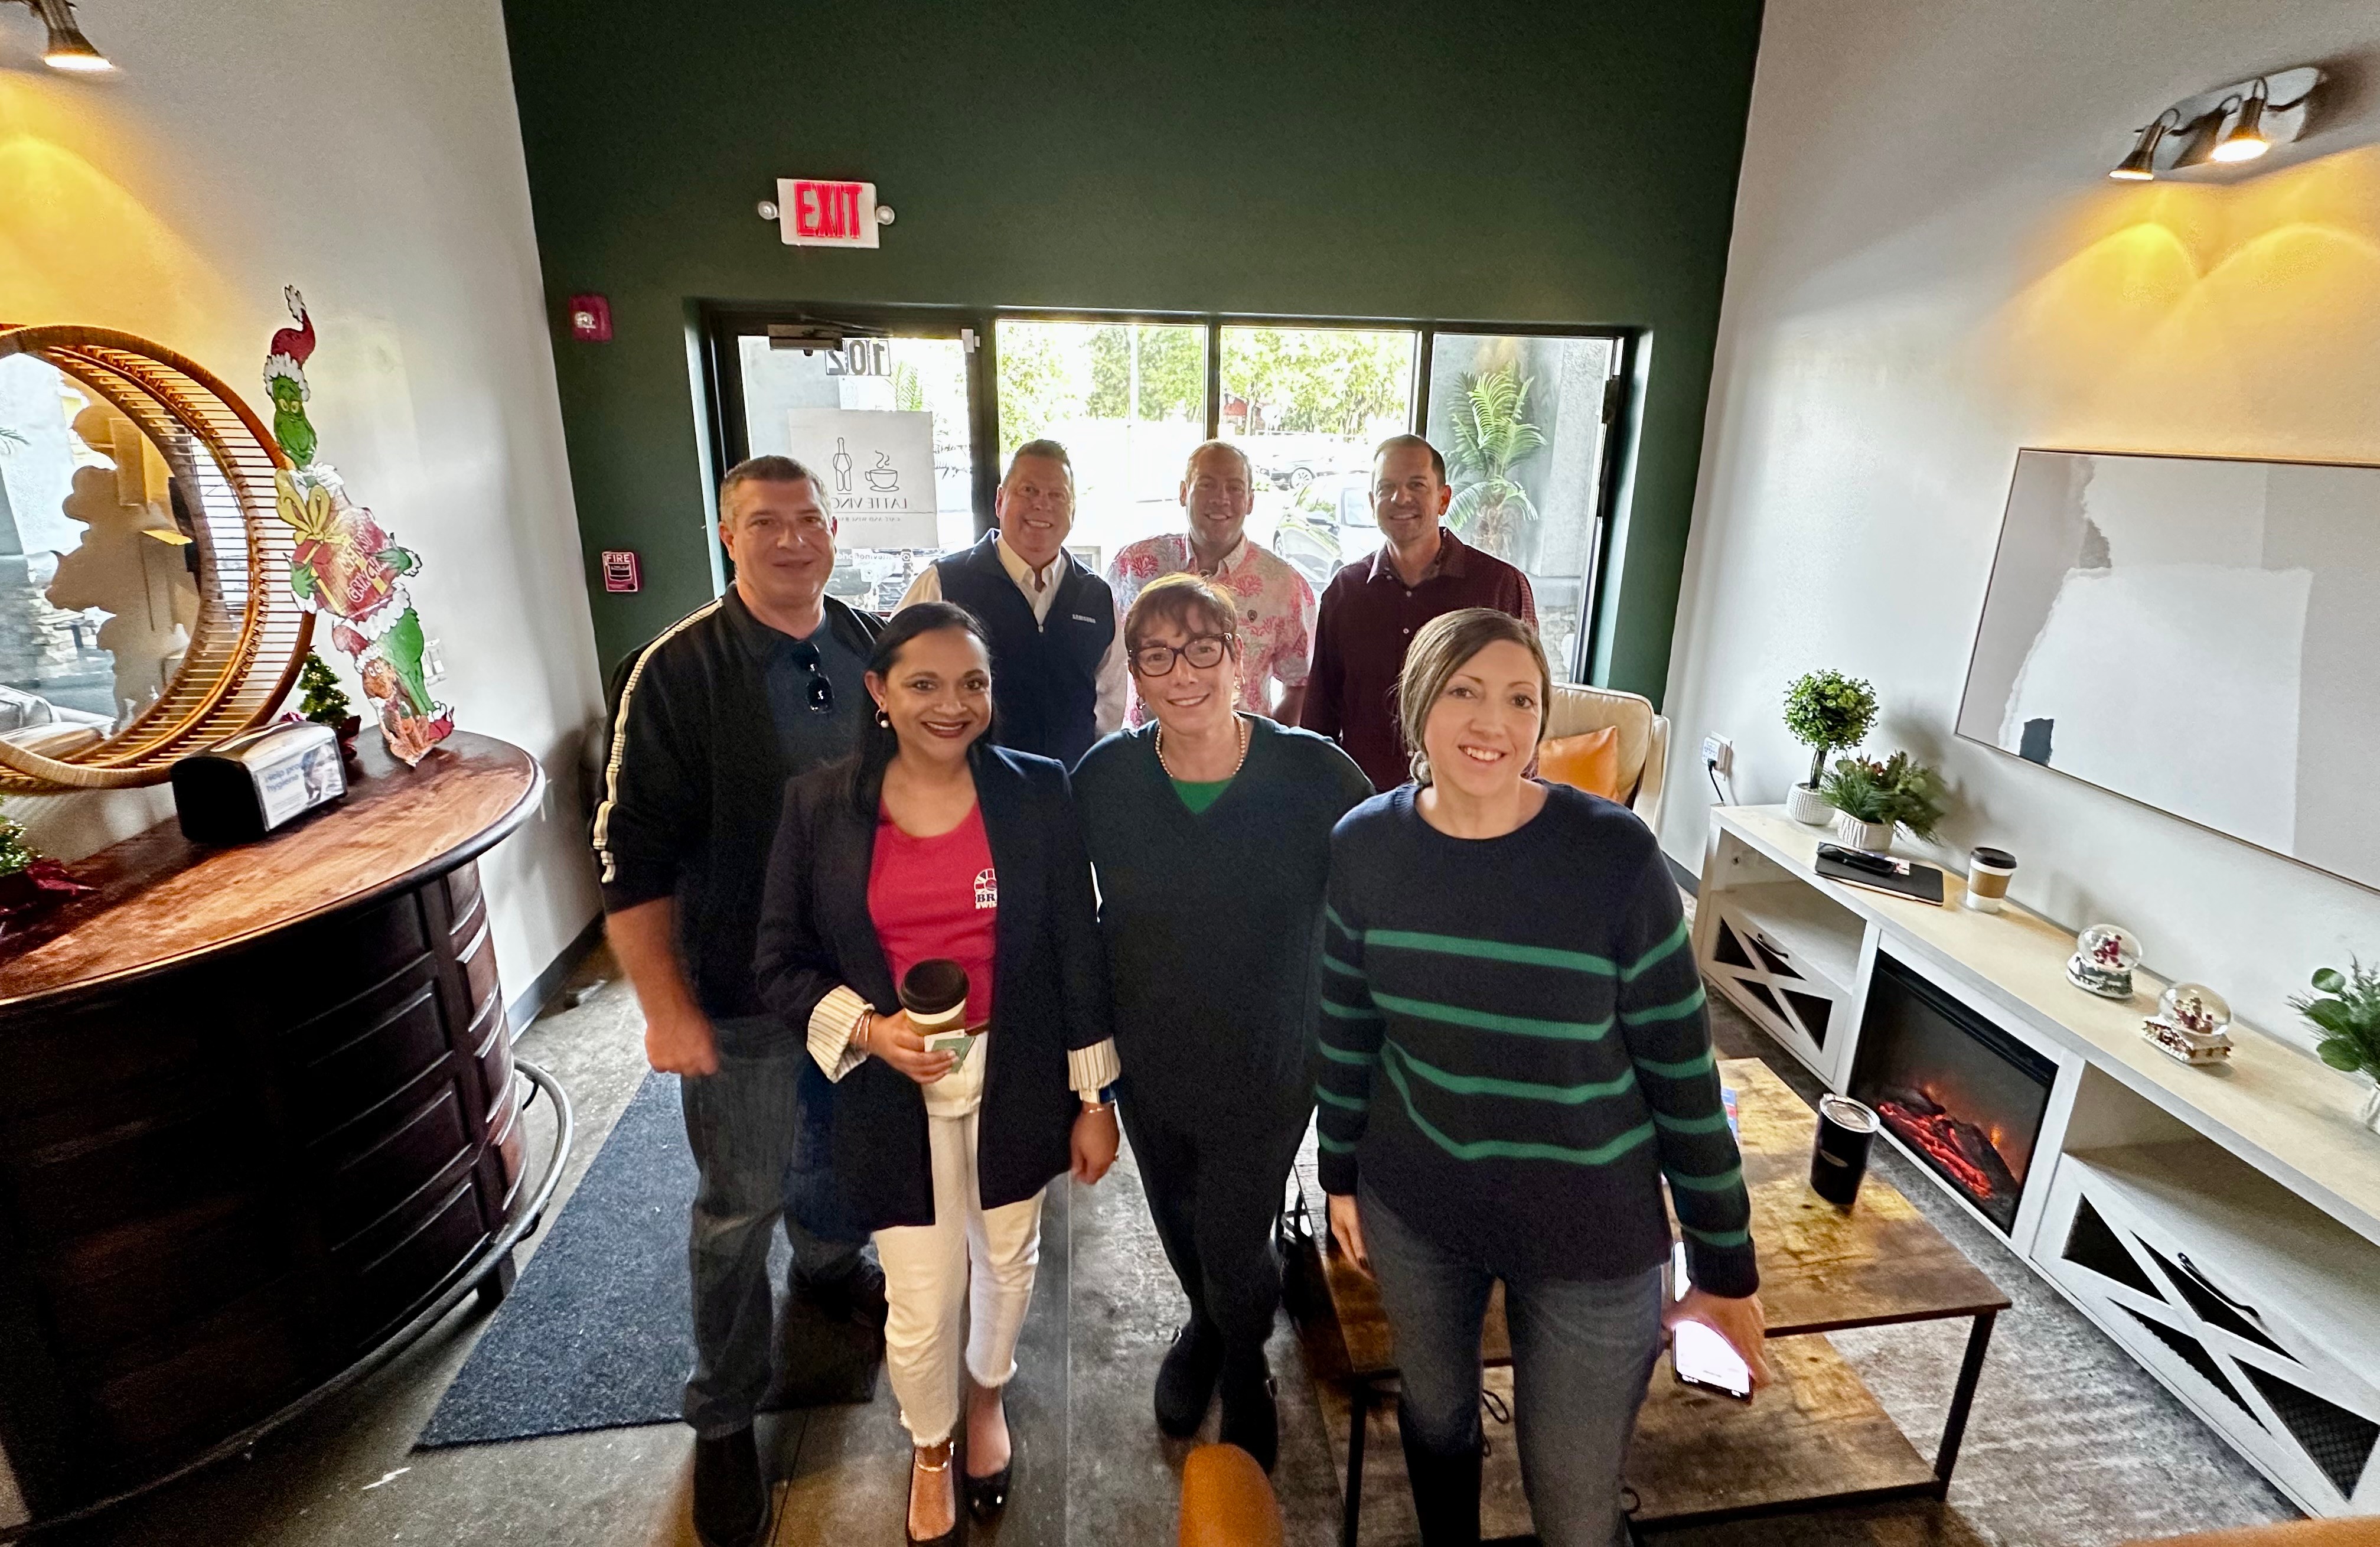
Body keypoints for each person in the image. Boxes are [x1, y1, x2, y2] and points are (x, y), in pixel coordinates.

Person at [1313, 608, 1766, 1547]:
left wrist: (1723, 1264)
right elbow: (1347, 1026)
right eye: (1465, 691)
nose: (1492, 721)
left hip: (1589, 1230)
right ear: (1418, 706)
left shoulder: (1612, 858)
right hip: (1419, 1203)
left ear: (1541, 719)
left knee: (1572, 1498)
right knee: (1436, 1423)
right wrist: (1339, 1170)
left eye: (1520, 698)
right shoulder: (1363, 845)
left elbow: (1681, 1070)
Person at [754, 601, 1121, 1547]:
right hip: (888, 1081)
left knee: (1005, 1254)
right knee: (920, 1296)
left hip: (1017, 1071)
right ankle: (929, 1443)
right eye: (923, 682)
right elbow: (781, 962)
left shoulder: (1039, 791)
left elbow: (1076, 948)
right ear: (877, 691)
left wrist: (1093, 1097)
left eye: (973, 683)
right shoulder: (818, 806)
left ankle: (987, 1395)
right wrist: (870, 1032)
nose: (951, 704)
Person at [593, 454, 885, 1547]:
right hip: (738, 992)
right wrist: (666, 1005)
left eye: (809, 517)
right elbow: (628, 850)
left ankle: (827, 1270)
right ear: (729, 535)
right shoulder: (673, 670)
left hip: (852, 988)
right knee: (735, 1204)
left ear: (833, 527)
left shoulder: (864, 646)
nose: (792, 538)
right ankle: (721, 1415)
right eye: (766, 520)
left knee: (835, 1153)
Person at [1073, 574, 1371, 1471]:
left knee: (1232, 1228)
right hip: (1151, 1055)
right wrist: (1087, 1079)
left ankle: (1245, 1364)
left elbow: (1383, 883)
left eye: (1204, 646)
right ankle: (1206, 1323)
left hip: (1273, 1053)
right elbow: (1066, 924)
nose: (1182, 670)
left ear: (1241, 658)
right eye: (1156, 654)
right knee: (1176, 1215)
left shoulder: (1313, 771)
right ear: (1135, 673)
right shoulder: (1108, 779)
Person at [1300, 435, 1537, 792]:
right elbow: (1321, 714)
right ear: (1372, 502)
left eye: (1417, 485)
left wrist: (1517, 806)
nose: (1401, 498)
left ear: (1444, 499)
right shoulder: (1346, 592)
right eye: (1387, 487)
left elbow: (1528, 704)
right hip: (1364, 806)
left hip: (1469, 805)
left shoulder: (1499, 587)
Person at [895, 440, 1127, 765]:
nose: (1041, 505)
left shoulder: (1096, 596)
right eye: (1028, 491)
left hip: (1069, 792)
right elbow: (896, 680)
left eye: (1056, 496)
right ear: (1000, 500)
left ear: (1072, 511)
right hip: (969, 790)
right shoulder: (944, 583)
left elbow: (1110, 702)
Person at [1106, 441, 1318, 723]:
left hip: (1243, 759)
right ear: (1184, 493)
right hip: (1145, 753)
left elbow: (1300, 683)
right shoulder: (1133, 567)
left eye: (1234, 488)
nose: (1221, 498)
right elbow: (1104, 662)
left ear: (1251, 501)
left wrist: (1267, 747)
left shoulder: (1284, 586)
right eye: (1207, 484)